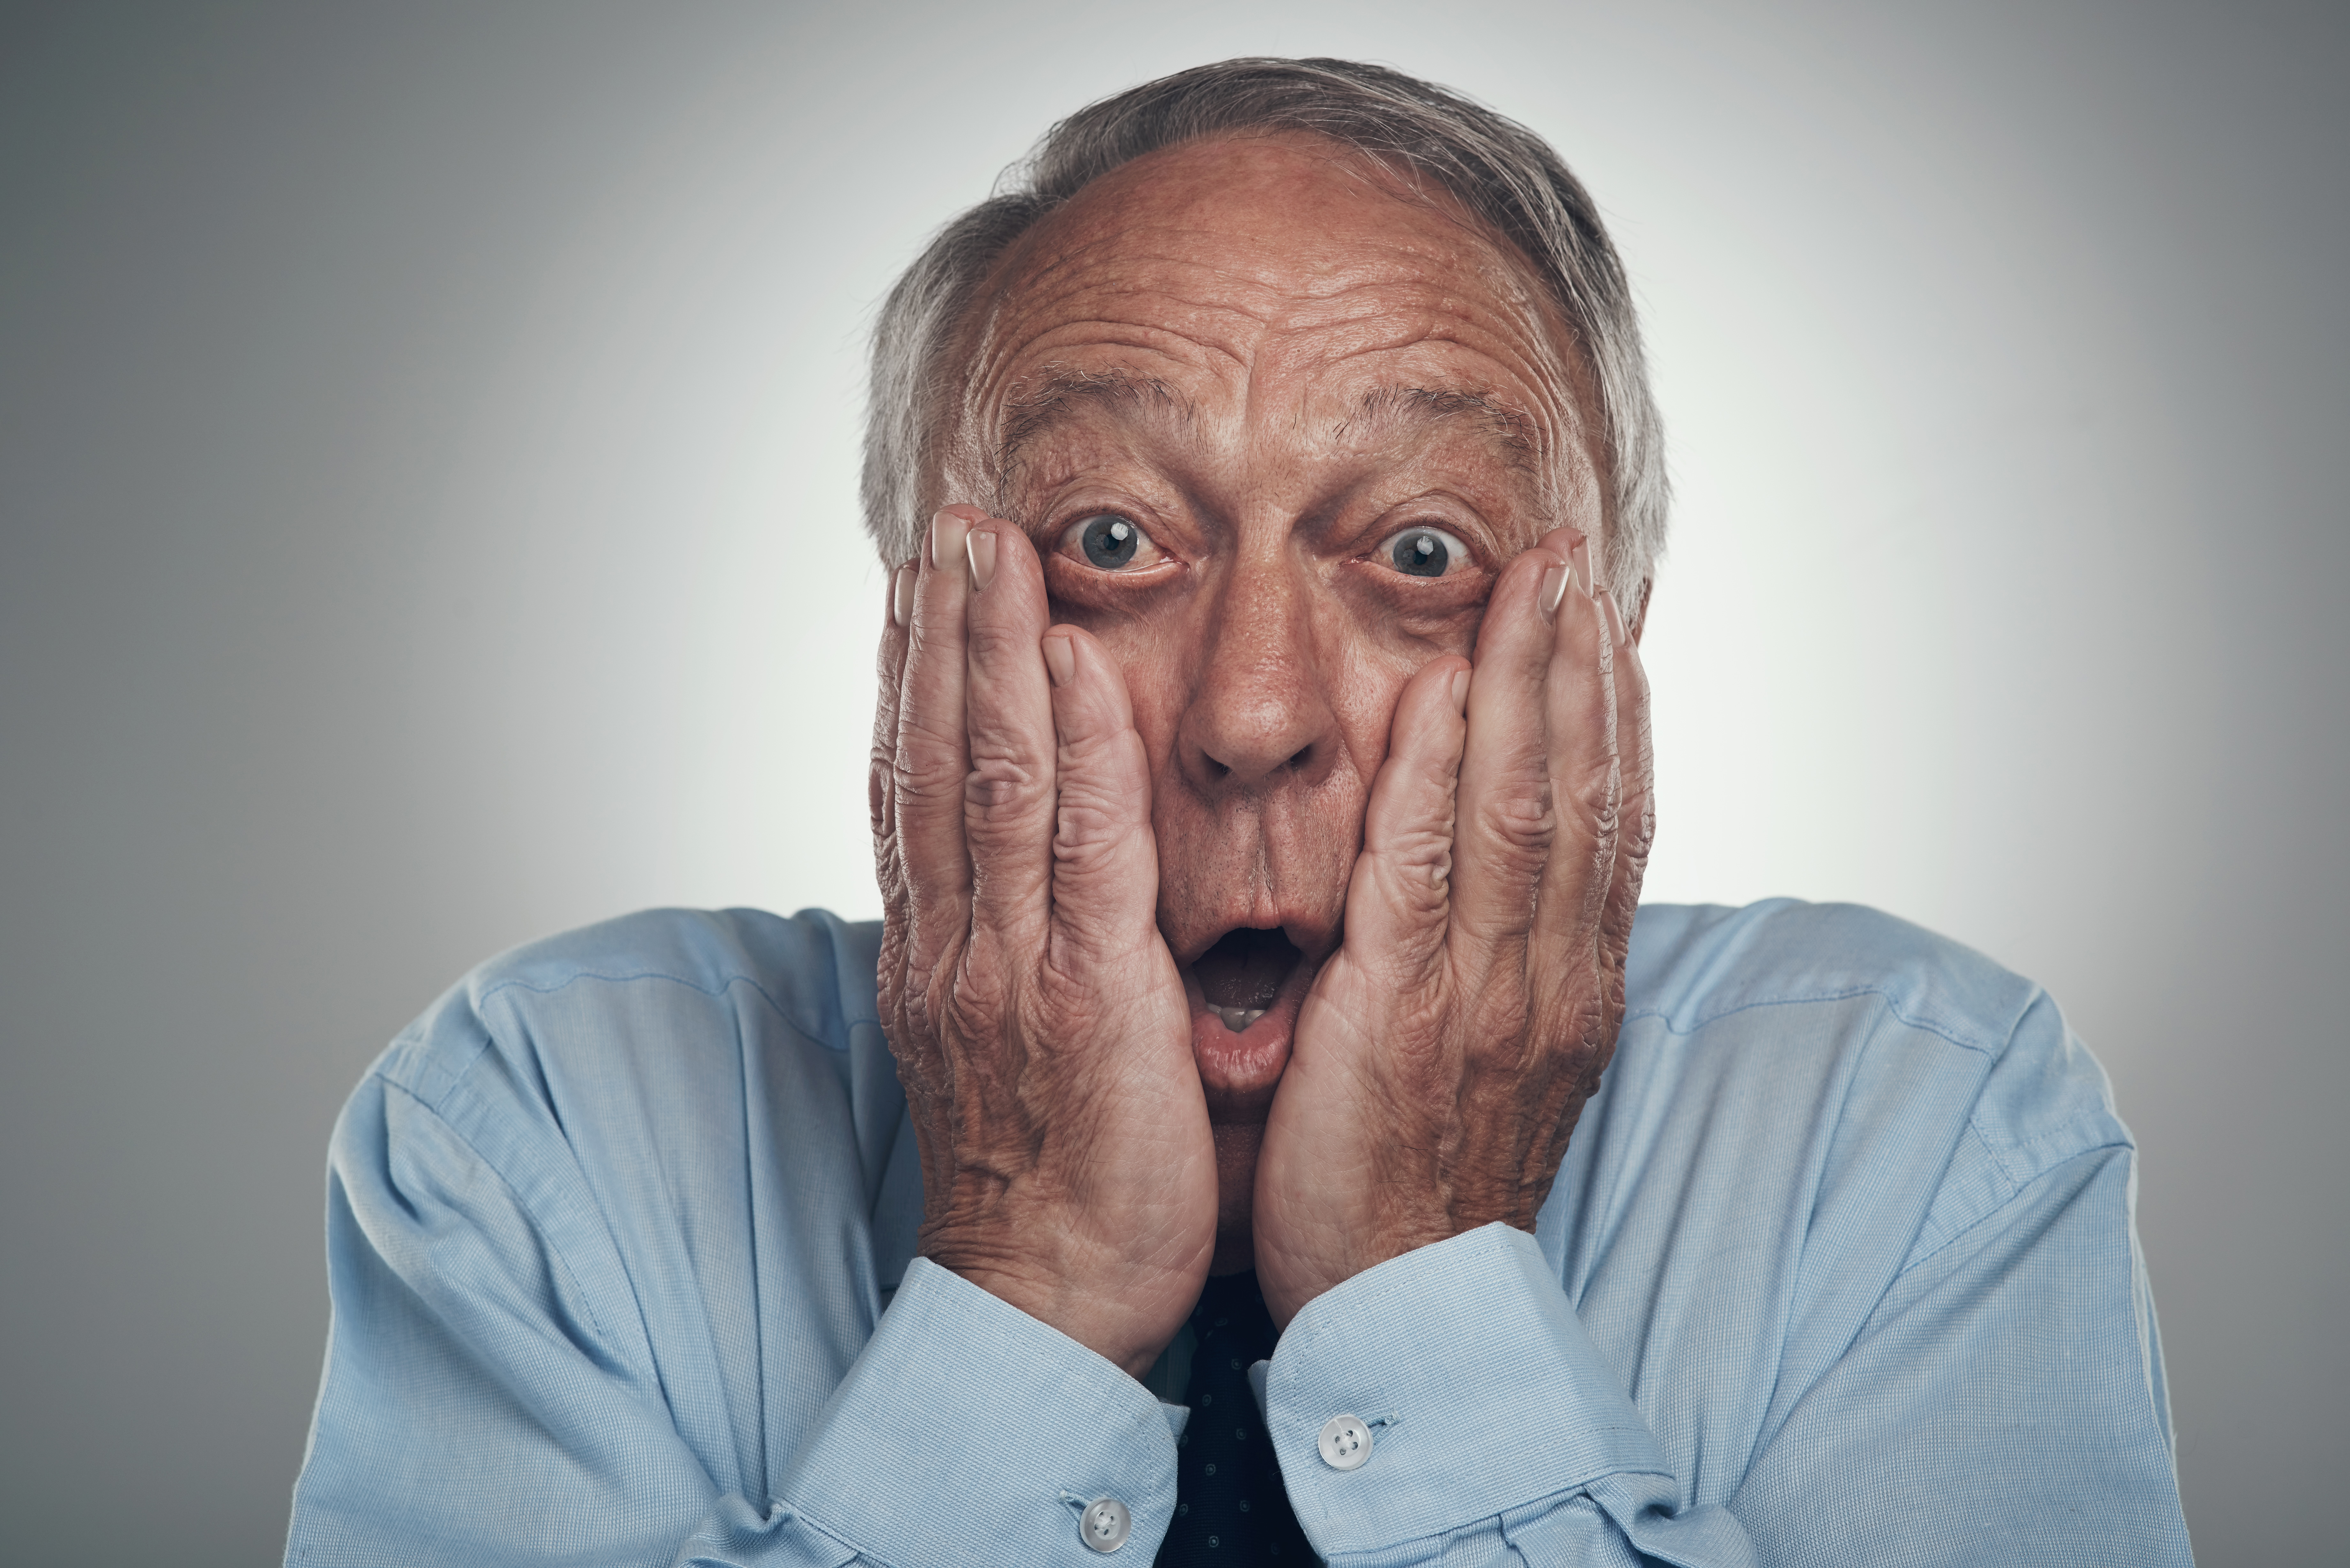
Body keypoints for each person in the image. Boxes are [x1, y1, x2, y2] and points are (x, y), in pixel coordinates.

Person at [284, 58, 2192, 1567]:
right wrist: (1026, 1293)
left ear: (1602, 664)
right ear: (922, 644)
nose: (1253, 711)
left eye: (1421, 550)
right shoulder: (544, 1134)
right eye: (1111, 541)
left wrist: (1424, 1286)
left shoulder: (1919, 1132)